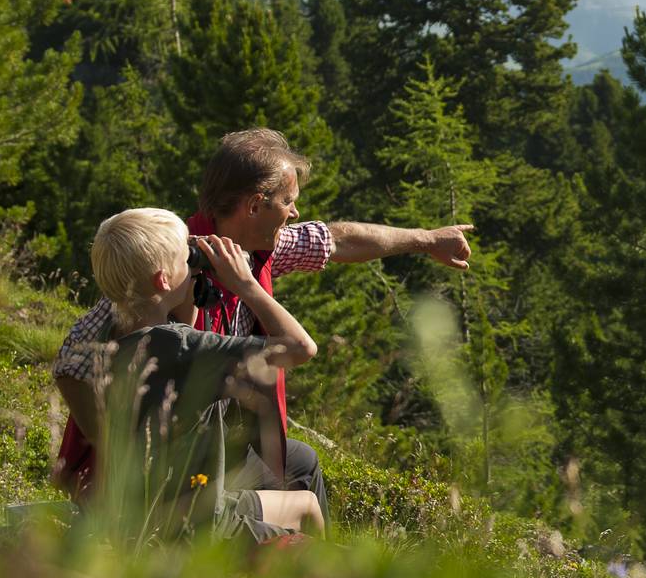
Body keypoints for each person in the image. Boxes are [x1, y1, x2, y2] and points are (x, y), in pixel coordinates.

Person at [51, 128, 473, 515]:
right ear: (255, 205)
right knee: (296, 474)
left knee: (300, 462)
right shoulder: (176, 264)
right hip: (169, 467)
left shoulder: (255, 250)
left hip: (213, 440)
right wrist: (113, 448)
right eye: (288, 200)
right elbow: (71, 359)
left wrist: (428, 239)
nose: (295, 212)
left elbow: (337, 239)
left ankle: (279, 561)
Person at [73, 207, 323, 538]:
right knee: (306, 506)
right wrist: (245, 283)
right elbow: (301, 347)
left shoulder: (114, 338)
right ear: (163, 279)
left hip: (149, 505)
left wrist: (188, 281)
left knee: (301, 460)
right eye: (185, 258)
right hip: (200, 524)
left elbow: (182, 349)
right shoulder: (177, 346)